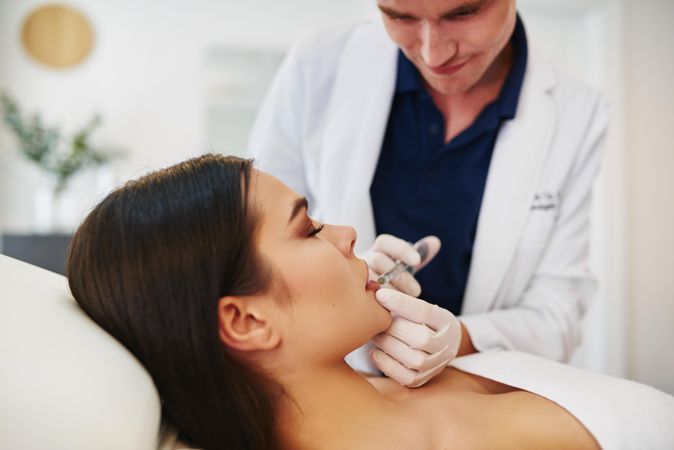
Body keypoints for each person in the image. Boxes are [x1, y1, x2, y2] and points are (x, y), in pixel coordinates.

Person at [66, 155, 673, 450]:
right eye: (308, 229)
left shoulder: (408, 386)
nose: (349, 233)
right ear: (247, 319)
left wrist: (457, 338)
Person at [248, 0, 609, 381]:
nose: (433, 54)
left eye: (463, 13)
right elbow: (256, 249)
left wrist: (460, 339)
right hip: (333, 385)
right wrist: (337, 277)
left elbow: (556, 315)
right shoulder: (319, 62)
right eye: (399, 16)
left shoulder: (577, 111)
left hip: (477, 394)